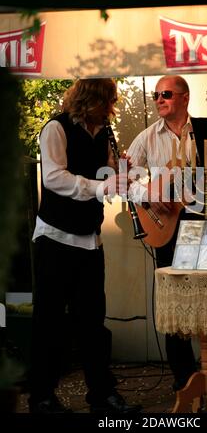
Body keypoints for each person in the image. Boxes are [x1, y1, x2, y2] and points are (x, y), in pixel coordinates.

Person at [127, 75, 207, 391]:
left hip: (203, 221)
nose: (159, 99)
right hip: (165, 225)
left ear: (184, 97)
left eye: (165, 93)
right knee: (175, 307)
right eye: (156, 95)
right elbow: (125, 179)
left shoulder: (205, 135)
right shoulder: (146, 138)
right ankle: (184, 385)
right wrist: (150, 194)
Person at [28, 78, 141, 414]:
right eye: (108, 102)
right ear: (91, 100)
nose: (112, 109)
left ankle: (102, 396)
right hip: (55, 237)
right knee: (50, 322)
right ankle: (42, 398)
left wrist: (121, 173)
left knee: (93, 321)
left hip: (89, 240)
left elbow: (105, 180)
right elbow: (54, 177)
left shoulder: (103, 131)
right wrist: (99, 186)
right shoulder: (55, 129)